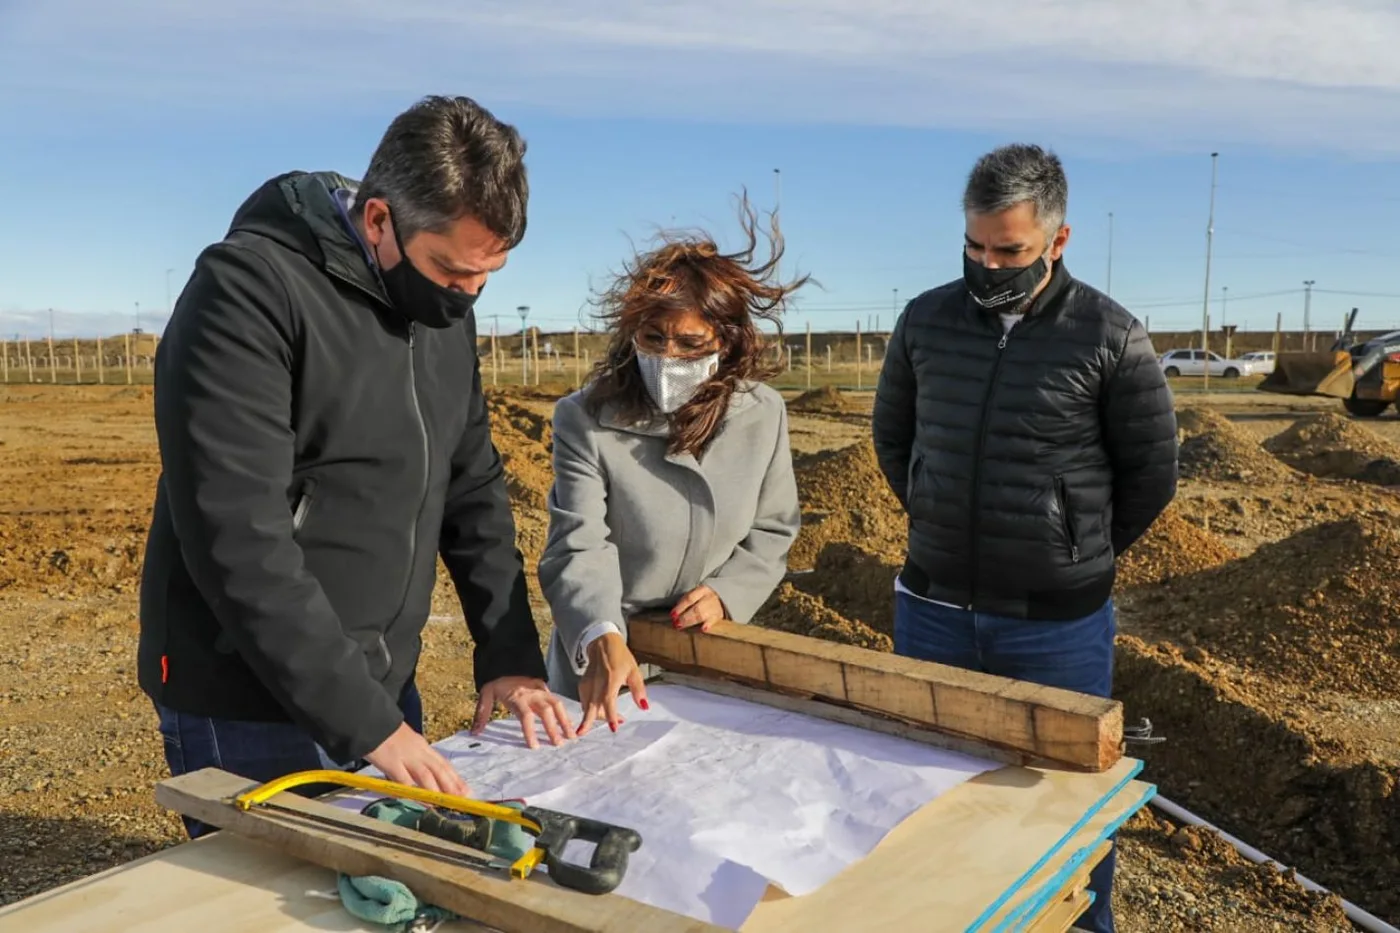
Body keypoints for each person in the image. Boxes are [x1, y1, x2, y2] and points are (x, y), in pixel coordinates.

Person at [137, 96, 574, 833]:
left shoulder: (442, 314)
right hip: (247, 696)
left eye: (485, 277)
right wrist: (366, 723)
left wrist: (508, 652)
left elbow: (472, 489)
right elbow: (239, 538)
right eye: (451, 271)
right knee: (263, 901)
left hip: (376, 684)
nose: (466, 296)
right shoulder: (246, 293)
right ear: (378, 220)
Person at [871, 144, 1178, 933]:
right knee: (928, 795)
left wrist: (1072, 547)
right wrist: (941, 518)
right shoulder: (925, 321)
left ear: (1058, 240)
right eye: (974, 245)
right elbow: (894, 440)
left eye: (1009, 250)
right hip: (933, 610)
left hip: (1056, 626)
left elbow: (1150, 475)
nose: (987, 264)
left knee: (1066, 806)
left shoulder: (1109, 335)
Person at [537, 196, 804, 734]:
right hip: (607, 658)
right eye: (653, 338)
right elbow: (579, 541)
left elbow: (773, 527)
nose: (668, 358)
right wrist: (598, 634)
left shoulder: (761, 415)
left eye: (690, 343)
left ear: (726, 343)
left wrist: (729, 594)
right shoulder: (585, 419)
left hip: (708, 656)